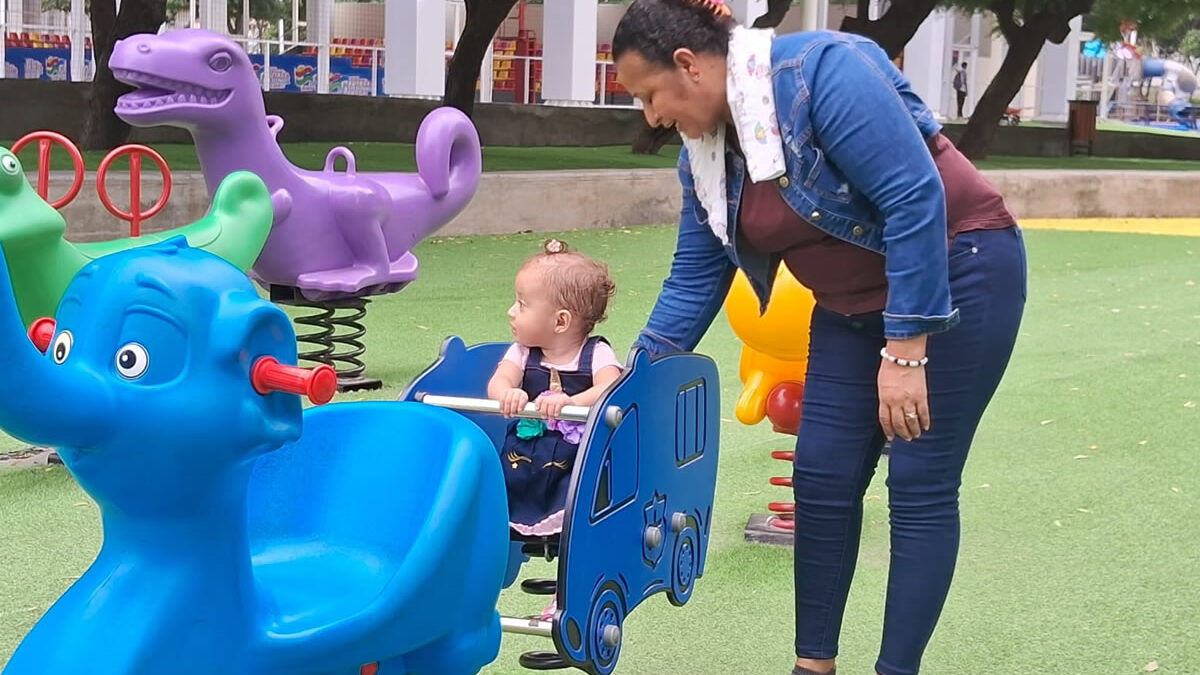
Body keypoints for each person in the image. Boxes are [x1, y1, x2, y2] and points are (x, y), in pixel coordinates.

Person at [611, 1, 1026, 674]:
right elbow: (693, 280)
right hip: (848, 305)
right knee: (822, 476)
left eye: (648, 94)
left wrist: (907, 348)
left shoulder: (821, 73)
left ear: (687, 65)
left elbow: (914, 197)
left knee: (919, 481)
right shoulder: (706, 157)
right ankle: (814, 664)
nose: (651, 117)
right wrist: (625, 378)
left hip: (958, 272)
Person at [487, 238, 623, 539]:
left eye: (522, 304)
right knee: (509, 480)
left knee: (577, 499)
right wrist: (508, 393)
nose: (511, 311)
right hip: (525, 456)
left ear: (560, 321)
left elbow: (611, 385)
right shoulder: (522, 351)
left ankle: (570, 557)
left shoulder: (596, 353)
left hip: (576, 460)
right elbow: (498, 382)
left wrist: (572, 401)